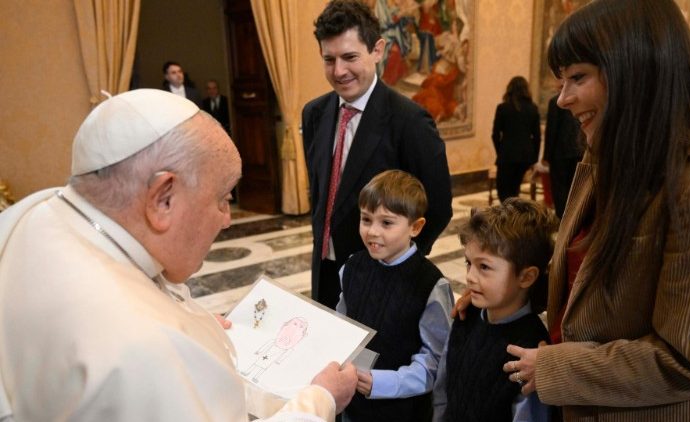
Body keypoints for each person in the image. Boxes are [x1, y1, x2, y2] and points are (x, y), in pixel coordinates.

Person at [0, 89, 357, 421]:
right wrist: (320, 399)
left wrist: (191, 325)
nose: (228, 220)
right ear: (163, 198)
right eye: (223, 198)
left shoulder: (35, 214)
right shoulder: (147, 349)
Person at [487, 1, 690, 420]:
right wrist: (502, 290)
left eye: (578, 77)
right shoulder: (603, 161)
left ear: (638, 72)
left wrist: (557, 367)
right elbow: (590, 288)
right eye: (561, 80)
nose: (562, 99)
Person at [302, 0, 453, 310]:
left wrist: (399, 264)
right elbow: (322, 196)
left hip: (382, 278)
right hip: (325, 270)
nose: (339, 71)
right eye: (329, 59)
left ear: (378, 50)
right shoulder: (313, 114)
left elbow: (438, 207)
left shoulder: (410, 122)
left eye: (349, 57)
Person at [335, 169, 453, 422]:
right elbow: (341, 327)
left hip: (402, 410)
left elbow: (436, 362)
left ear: (416, 227)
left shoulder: (429, 284)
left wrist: (383, 383)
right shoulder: (352, 267)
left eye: (386, 223)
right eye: (366, 220)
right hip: (352, 403)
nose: (373, 232)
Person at [433, 199, 556, 422]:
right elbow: (442, 391)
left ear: (526, 277)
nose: (470, 277)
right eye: (468, 263)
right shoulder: (465, 316)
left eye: (484, 267)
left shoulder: (528, 352)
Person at [491, 76, 542, 201]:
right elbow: (537, 136)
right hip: (525, 156)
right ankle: (515, 217)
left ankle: (508, 218)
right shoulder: (533, 108)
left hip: (507, 155)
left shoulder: (503, 108)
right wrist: (533, 158)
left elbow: (495, 134)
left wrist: (500, 151)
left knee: (503, 192)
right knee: (514, 190)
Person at [542, 92, 582, 218]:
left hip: (559, 153)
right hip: (578, 151)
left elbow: (551, 130)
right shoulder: (581, 99)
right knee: (575, 188)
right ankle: (573, 219)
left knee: (559, 189)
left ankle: (562, 219)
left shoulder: (556, 102)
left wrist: (547, 155)